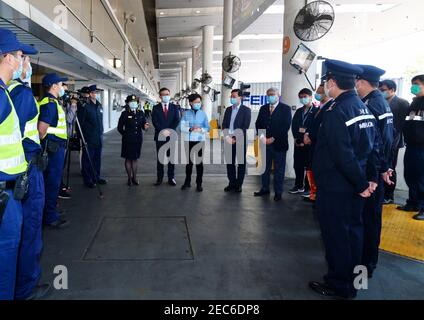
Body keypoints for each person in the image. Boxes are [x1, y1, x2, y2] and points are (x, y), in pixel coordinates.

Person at [309, 59, 379, 299]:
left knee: (337, 236)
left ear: (332, 82)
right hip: (357, 185)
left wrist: (361, 184)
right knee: (355, 233)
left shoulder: (337, 111)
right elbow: (372, 147)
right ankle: (355, 282)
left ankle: (340, 285)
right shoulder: (363, 107)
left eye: (326, 83)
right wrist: (370, 181)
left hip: (338, 187)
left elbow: (342, 155)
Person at [8, 52, 52, 299]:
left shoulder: (8, 92)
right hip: (27, 167)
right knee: (30, 229)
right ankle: (26, 287)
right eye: (22, 57)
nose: (27, 64)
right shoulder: (22, 94)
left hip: (15, 169)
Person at [0, 28, 37, 300]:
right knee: (4, 260)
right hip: (3, 193)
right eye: (21, 56)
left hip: (10, 189)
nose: (24, 64)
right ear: (7, 58)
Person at [355, 64, 394, 278]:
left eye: (356, 82)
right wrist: (385, 166)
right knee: (371, 218)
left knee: (368, 219)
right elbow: (389, 138)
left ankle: (365, 263)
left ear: (361, 82)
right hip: (378, 168)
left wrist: (375, 172)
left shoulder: (371, 105)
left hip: (372, 172)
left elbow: (374, 143)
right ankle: (368, 260)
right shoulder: (381, 102)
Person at [38, 73, 70, 230]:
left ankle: (51, 211)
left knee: (52, 181)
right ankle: (49, 216)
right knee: (51, 182)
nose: (63, 87)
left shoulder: (53, 102)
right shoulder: (49, 104)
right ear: (53, 85)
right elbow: (41, 130)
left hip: (55, 147)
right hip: (52, 148)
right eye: (61, 84)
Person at [254, 87, 292, 201]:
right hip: (264, 143)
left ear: (278, 95)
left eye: (272, 94)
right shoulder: (263, 108)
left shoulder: (285, 109)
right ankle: (265, 188)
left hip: (279, 144)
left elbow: (285, 126)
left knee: (279, 169)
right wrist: (262, 137)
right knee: (264, 168)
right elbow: (258, 124)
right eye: (268, 94)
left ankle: (278, 192)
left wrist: (273, 138)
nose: (270, 96)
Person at [379, 81, 411, 206]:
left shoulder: (402, 103)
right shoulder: (381, 102)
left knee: (390, 167)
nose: (382, 91)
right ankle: (382, 193)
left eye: (384, 89)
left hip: (394, 141)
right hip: (382, 140)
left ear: (392, 90)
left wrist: (394, 141)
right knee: (382, 167)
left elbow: (403, 125)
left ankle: (389, 195)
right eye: (380, 89)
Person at [303, 84, 333, 202]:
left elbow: (323, 128)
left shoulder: (330, 107)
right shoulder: (320, 106)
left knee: (318, 172)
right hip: (313, 145)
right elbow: (312, 124)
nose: (317, 95)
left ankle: (318, 196)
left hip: (319, 145)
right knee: (311, 169)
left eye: (319, 92)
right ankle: (313, 193)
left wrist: (311, 137)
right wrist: (307, 134)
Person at [402, 75, 424, 221]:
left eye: (416, 84)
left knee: (422, 179)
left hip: (422, 148)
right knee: (410, 176)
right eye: (412, 84)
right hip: (411, 145)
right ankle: (413, 202)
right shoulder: (414, 103)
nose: (413, 87)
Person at [77, 85, 107, 188]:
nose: (96, 94)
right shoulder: (84, 106)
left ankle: (96, 177)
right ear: (89, 94)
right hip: (89, 138)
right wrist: (82, 138)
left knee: (97, 159)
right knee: (87, 160)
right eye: (94, 92)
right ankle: (88, 179)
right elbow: (80, 123)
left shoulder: (99, 105)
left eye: (97, 92)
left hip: (98, 137)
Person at [222, 89, 251, 193]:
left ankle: (239, 184)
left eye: (234, 96)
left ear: (240, 97)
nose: (232, 98)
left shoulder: (246, 110)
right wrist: (227, 136)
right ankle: (231, 183)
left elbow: (245, 126)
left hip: (240, 140)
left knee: (241, 163)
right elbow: (224, 124)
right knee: (230, 163)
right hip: (228, 140)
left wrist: (234, 138)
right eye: (231, 96)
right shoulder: (228, 109)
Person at [180, 93, 210, 192]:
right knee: (189, 163)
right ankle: (187, 182)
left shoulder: (203, 114)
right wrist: (190, 128)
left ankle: (199, 183)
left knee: (199, 163)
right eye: (196, 102)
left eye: (199, 102)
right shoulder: (186, 114)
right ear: (190, 103)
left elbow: (208, 128)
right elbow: (181, 127)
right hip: (188, 141)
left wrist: (201, 129)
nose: (198, 104)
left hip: (200, 141)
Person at [117, 95, 149, 186]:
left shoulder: (141, 113)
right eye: (131, 102)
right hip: (127, 140)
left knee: (134, 159)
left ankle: (134, 178)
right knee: (128, 159)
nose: (133, 103)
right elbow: (119, 127)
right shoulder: (125, 114)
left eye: (135, 102)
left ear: (137, 103)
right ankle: (129, 179)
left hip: (138, 139)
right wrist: (125, 135)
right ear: (128, 103)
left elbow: (144, 125)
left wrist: (145, 127)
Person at [152, 88, 180, 186]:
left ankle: (171, 178)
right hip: (160, 136)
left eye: (167, 94)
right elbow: (155, 121)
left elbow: (177, 120)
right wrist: (163, 131)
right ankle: (159, 178)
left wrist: (169, 130)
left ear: (169, 95)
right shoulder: (155, 108)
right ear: (160, 96)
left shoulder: (174, 107)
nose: (166, 96)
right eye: (163, 95)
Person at [289, 88, 315, 195]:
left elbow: (314, 127)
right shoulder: (299, 111)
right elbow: (294, 125)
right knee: (298, 165)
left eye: (305, 97)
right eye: (301, 97)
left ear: (310, 97)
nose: (303, 99)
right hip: (298, 143)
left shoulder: (316, 111)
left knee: (309, 166)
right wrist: (296, 139)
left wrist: (307, 139)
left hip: (309, 144)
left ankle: (308, 187)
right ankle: (298, 185)